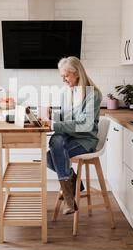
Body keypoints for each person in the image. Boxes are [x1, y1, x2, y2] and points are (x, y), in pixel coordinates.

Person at [44, 56, 102, 215]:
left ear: (77, 73)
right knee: (53, 146)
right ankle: (74, 183)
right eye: (62, 76)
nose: (63, 79)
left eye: (66, 75)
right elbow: (66, 116)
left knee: (52, 156)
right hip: (69, 136)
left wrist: (54, 125)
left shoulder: (93, 95)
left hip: (85, 140)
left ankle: (69, 198)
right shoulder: (68, 91)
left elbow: (85, 124)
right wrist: (52, 115)